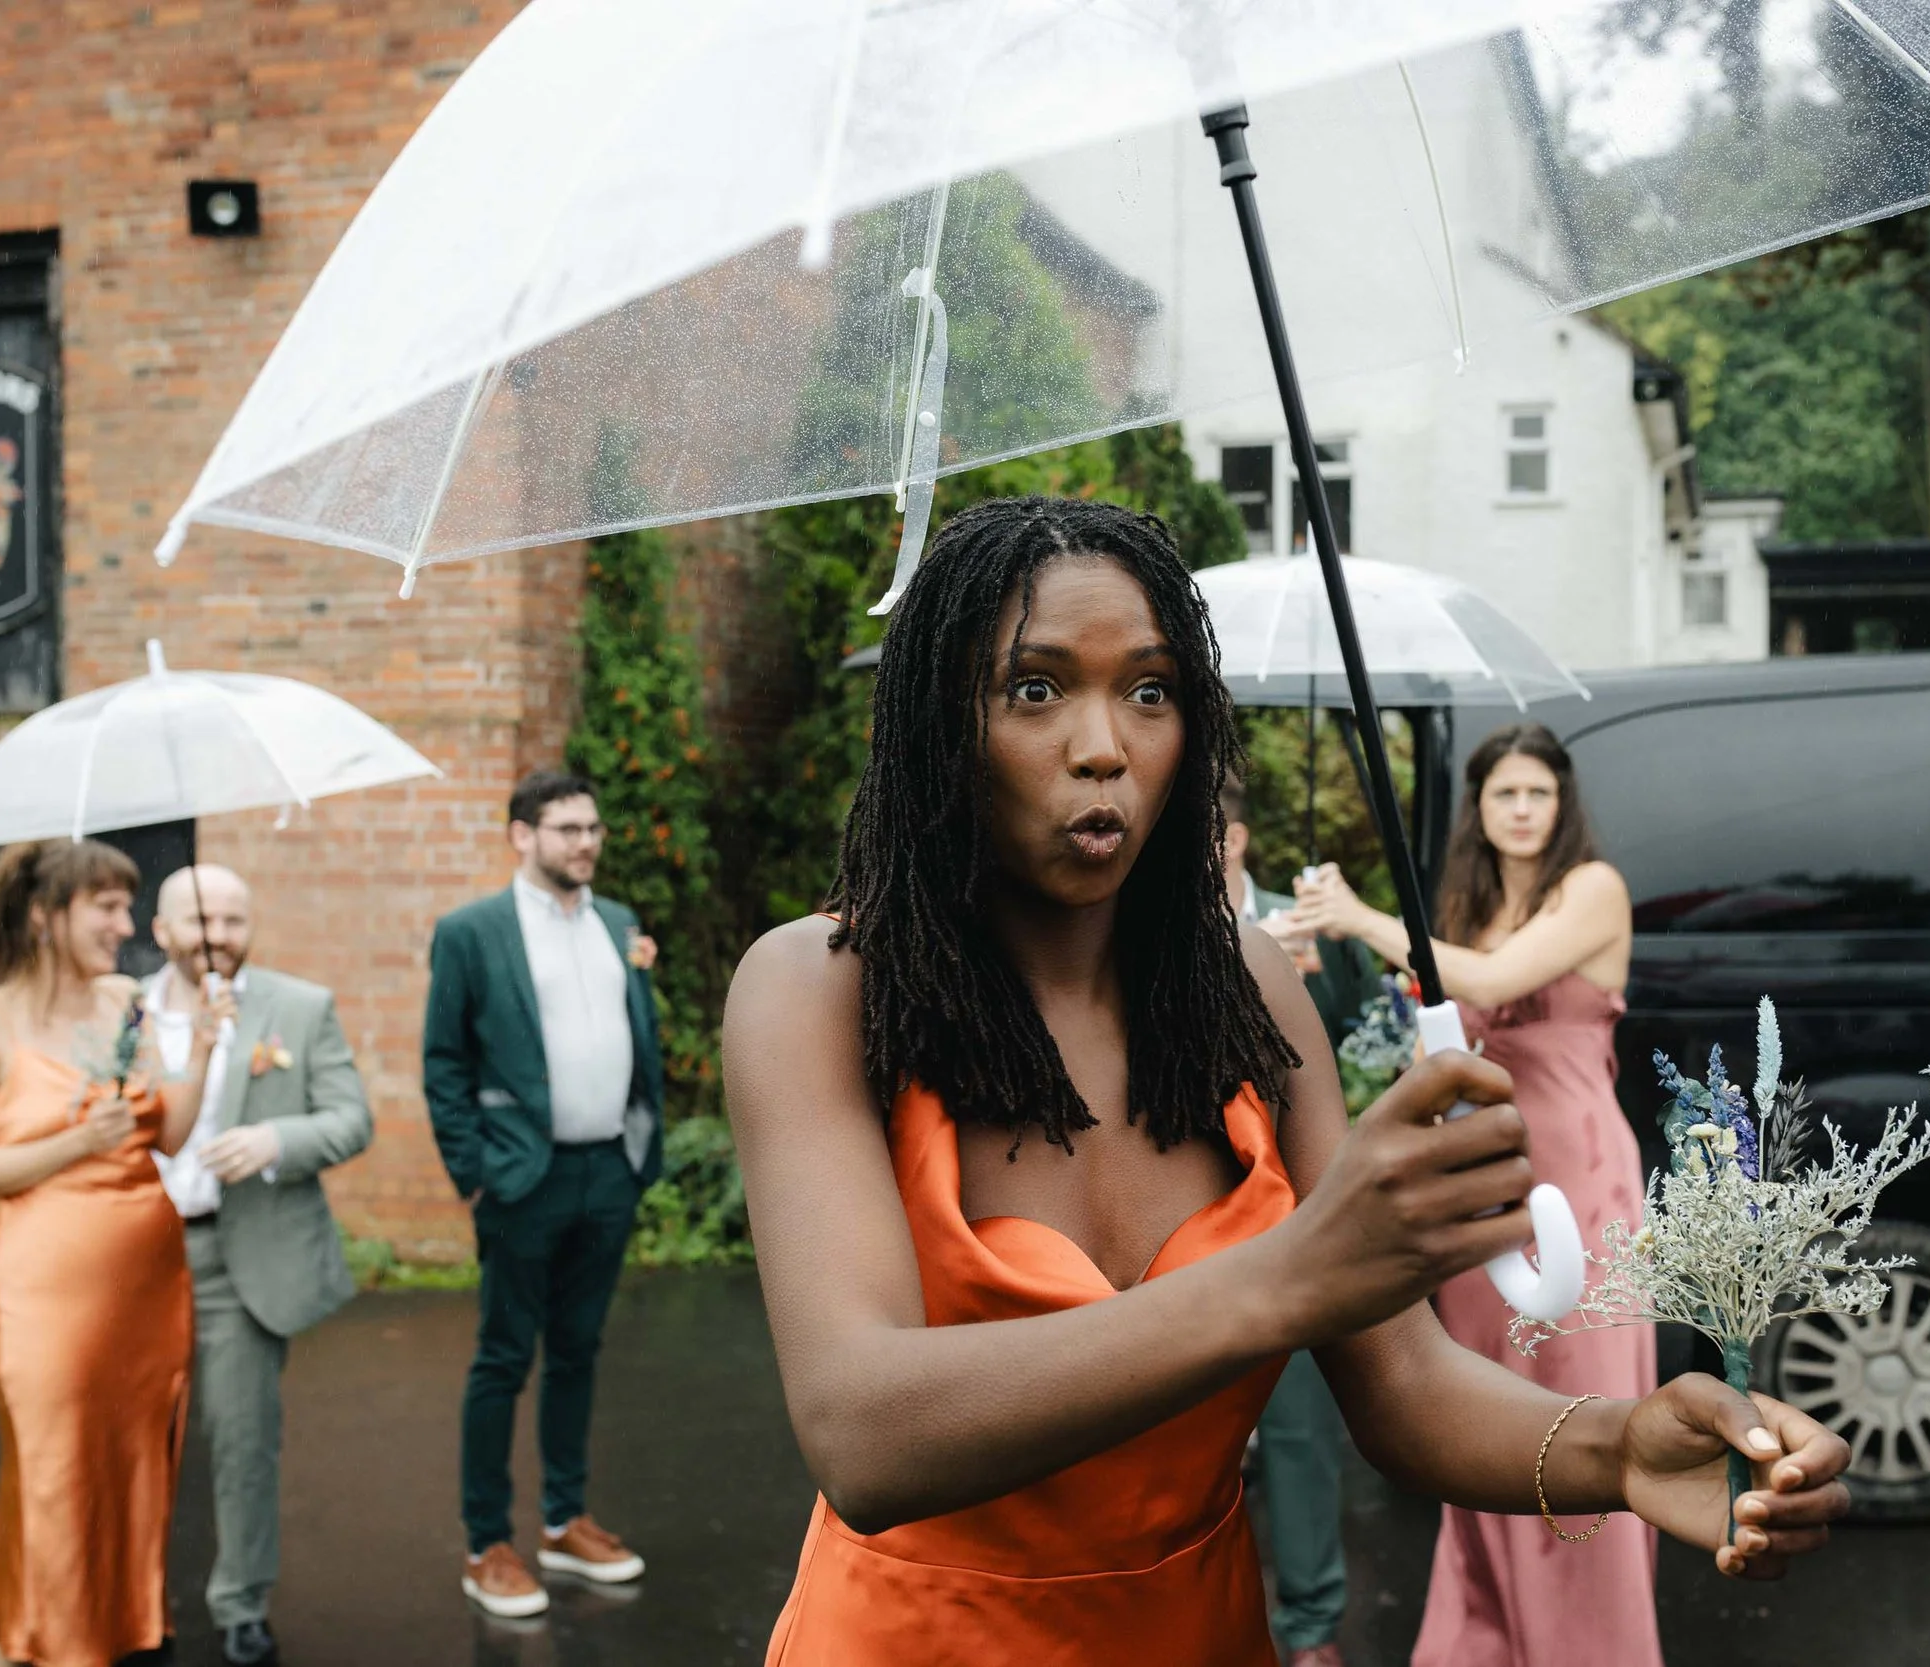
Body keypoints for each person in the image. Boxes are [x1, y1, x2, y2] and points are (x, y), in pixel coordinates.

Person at [724, 498, 1850, 1666]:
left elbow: (1403, 1381)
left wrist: (1614, 1446)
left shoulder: (1246, 993)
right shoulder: (821, 989)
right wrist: (1293, 1272)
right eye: (1034, 688)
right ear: (934, 725)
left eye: (1151, 690)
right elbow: (862, 1435)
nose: (1104, 742)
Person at [1276, 721, 1659, 1667]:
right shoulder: (1462, 906)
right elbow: (1434, 1044)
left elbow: (1487, 978)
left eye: (1538, 792)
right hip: (1485, 1188)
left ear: (1562, 803)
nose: (1523, 810)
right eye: (1504, 795)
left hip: (1579, 1188)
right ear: (1478, 810)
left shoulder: (1592, 890)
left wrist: (1363, 916)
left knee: (1583, 1413)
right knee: (1485, 1422)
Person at [0, 839, 232, 1667]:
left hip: (148, 1287)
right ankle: (43, 1644)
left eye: (126, 906)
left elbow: (165, 1134)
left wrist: (200, 1049)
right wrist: (72, 1142)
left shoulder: (124, 1002)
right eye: (106, 906)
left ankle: (127, 1625)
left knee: (136, 1465)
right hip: (44, 1290)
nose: (125, 925)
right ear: (44, 915)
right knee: (54, 1470)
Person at [424, 770, 667, 1618]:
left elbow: (638, 1034)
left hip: (609, 1169)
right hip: (521, 1178)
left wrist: (641, 1144)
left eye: (593, 827)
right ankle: (487, 1540)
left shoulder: (617, 923)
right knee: (502, 1357)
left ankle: (564, 1520)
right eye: (567, 828)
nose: (586, 842)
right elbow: (444, 1063)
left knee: (578, 1351)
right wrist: (476, 1171)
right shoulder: (471, 932)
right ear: (521, 835)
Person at [146, 865, 374, 1667]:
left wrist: (276, 1141)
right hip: (133, 1257)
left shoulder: (299, 1007)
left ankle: (240, 1603)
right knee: (134, 1441)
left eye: (236, 920)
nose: (219, 935)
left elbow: (352, 1119)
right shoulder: (118, 1010)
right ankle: (134, 1604)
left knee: (242, 1439)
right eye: (202, 920)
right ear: (160, 930)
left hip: (239, 1253)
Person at [1220, 770, 1372, 1667]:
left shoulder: (1302, 916)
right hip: (1196, 1204)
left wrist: (1318, 971)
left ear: (1235, 838)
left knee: (1300, 1421)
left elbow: (1360, 1030)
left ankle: (1312, 1628)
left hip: (1295, 1196)